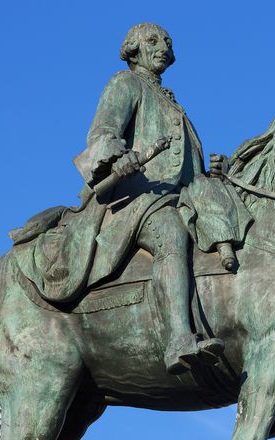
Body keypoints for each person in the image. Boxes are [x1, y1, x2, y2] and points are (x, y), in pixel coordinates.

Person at [73, 23, 249, 375]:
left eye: (167, 41)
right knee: (172, 234)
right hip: (139, 199)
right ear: (133, 49)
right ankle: (179, 339)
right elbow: (103, 132)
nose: (163, 46)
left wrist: (216, 170)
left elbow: (184, 166)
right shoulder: (125, 84)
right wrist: (115, 157)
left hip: (181, 195)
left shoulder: (172, 103)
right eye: (152, 41)